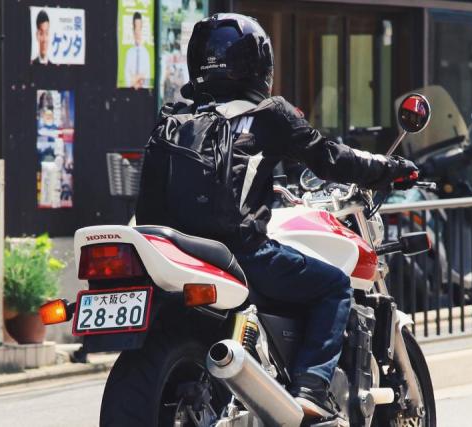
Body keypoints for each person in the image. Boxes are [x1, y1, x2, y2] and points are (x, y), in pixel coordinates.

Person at [136, 14, 418, 420]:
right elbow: (331, 159)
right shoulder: (271, 115)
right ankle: (311, 388)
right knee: (333, 286)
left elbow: (147, 204)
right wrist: (389, 168)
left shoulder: (172, 120)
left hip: (175, 253)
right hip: (241, 254)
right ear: (258, 63)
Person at [124, 12, 151, 89]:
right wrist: (139, 78)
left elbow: (148, 80)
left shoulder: (146, 53)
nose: (137, 31)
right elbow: (127, 78)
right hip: (130, 90)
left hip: (143, 92)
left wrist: (136, 80)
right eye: (135, 27)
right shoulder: (129, 53)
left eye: (140, 28)